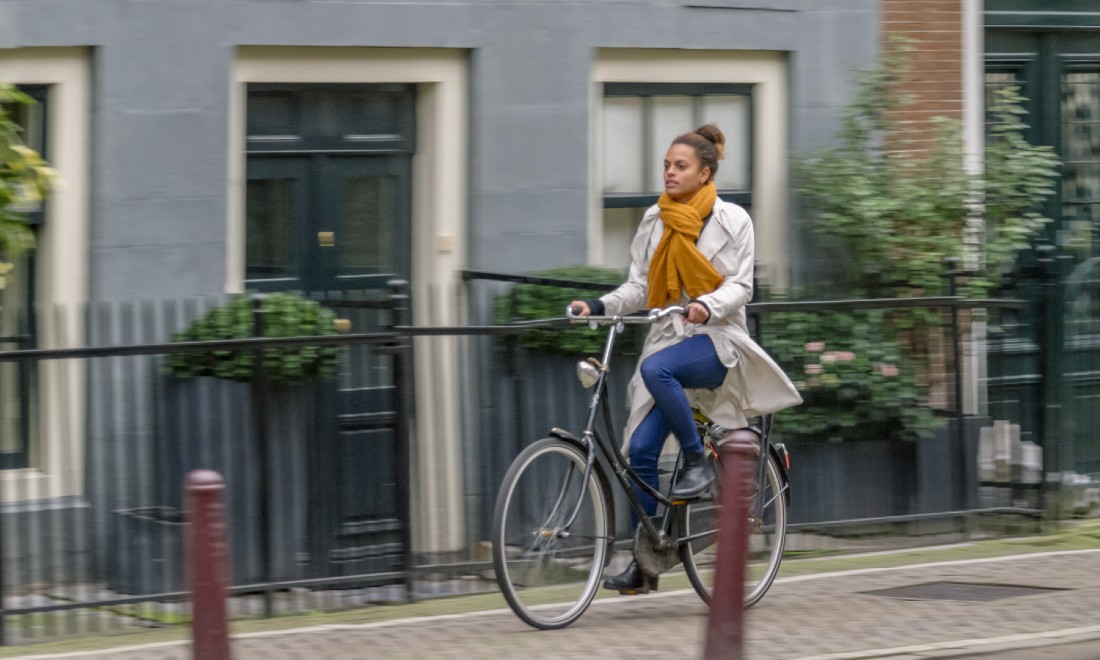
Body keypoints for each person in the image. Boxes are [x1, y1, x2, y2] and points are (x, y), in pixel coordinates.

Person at [570, 124, 802, 594]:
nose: (669, 173)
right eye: (666, 165)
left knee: (658, 369)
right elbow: (640, 287)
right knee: (641, 452)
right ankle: (646, 561)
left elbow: (742, 285)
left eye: (680, 166)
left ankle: (698, 461)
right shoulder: (655, 219)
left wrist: (707, 304)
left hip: (717, 339)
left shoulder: (732, 218)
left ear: (705, 172)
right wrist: (597, 306)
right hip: (668, 338)